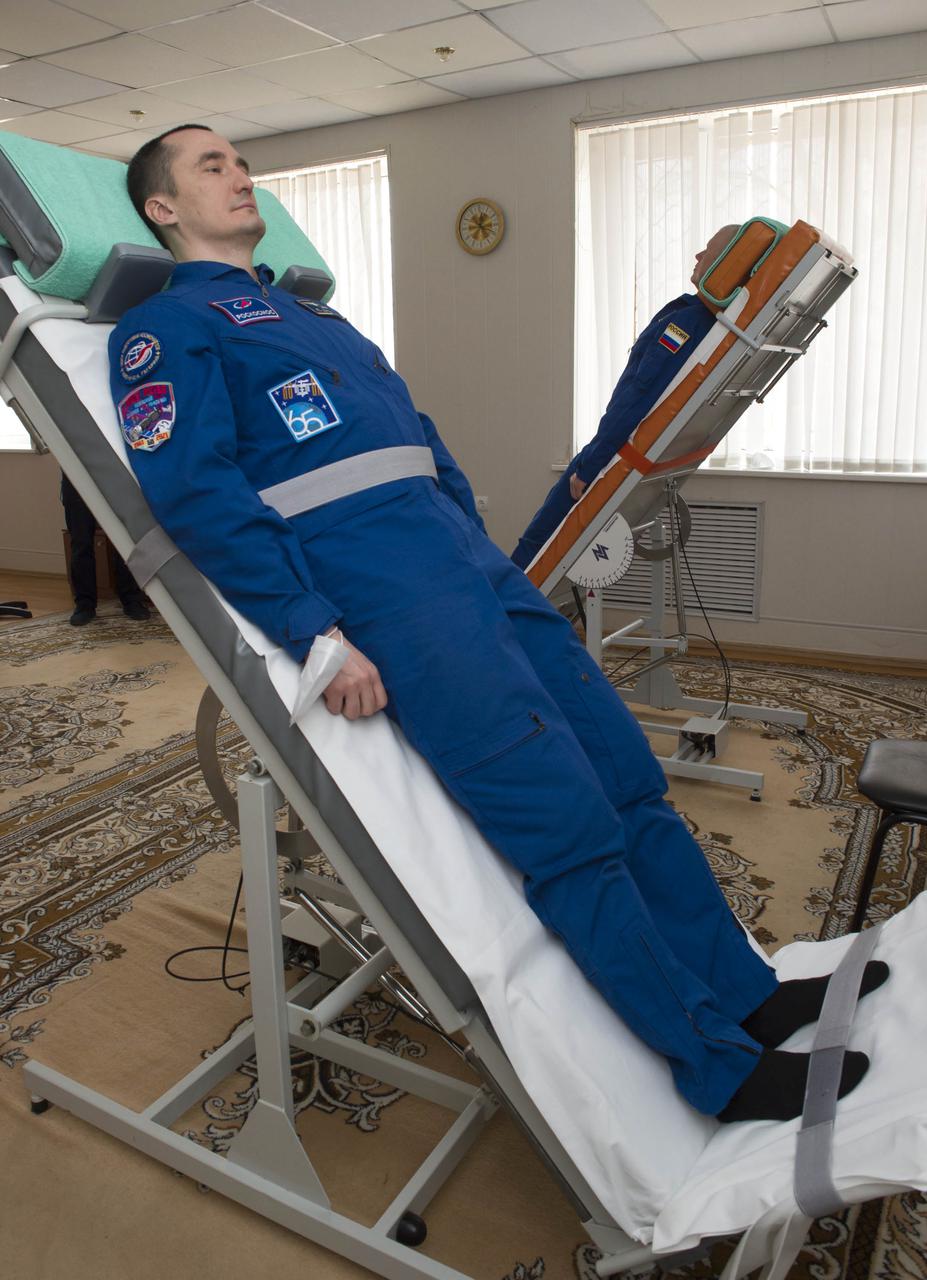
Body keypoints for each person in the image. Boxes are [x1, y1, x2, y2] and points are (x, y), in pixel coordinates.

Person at [108, 125, 882, 1123]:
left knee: (626, 777)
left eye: (240, 159)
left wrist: (479, 549)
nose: (239, 173)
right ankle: (716, 1064)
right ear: (163, 209)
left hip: (468, 568)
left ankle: (751, 994)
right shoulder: (168, 332)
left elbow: (421, 440)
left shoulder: (319, 321)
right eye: (210, 166)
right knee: (564, 820)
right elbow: (199, 493)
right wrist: (316, 631)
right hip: (389, 593)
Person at [511, 225, 737, 570]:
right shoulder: (709, 323)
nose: (697, 255)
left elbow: (638, 397)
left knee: (533, 550)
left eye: (707, 250)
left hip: (608, 455)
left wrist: (590, 465)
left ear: (726, 264)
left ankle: (503, 622)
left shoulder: (688, 323)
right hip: (618, 452)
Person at [61, 471, 150, 626]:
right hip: (75, 475)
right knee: (81, 543)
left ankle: (131, 599)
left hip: (113, 472)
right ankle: (84, 604)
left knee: (125, 541)